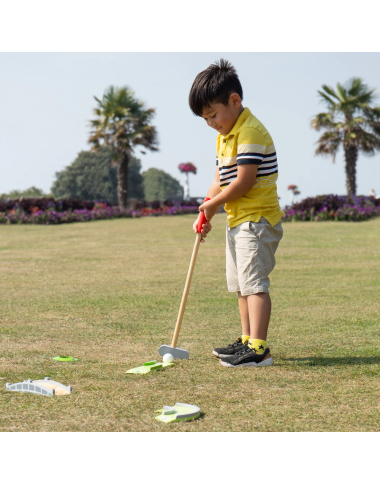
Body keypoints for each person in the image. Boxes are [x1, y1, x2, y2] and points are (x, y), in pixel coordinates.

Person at [189, 59, 284, 368]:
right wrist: (206, 211)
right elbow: (220, 180)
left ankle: (259, 349)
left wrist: (214, 205)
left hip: (257, 220)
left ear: (234, 101)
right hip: (238, 221)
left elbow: (243, 182)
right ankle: (246, 341)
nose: (211, 123)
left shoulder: (251, 131)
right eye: (205, 119)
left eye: (213, 114)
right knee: (241, 284)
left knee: (254, 283)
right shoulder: (224, 137)